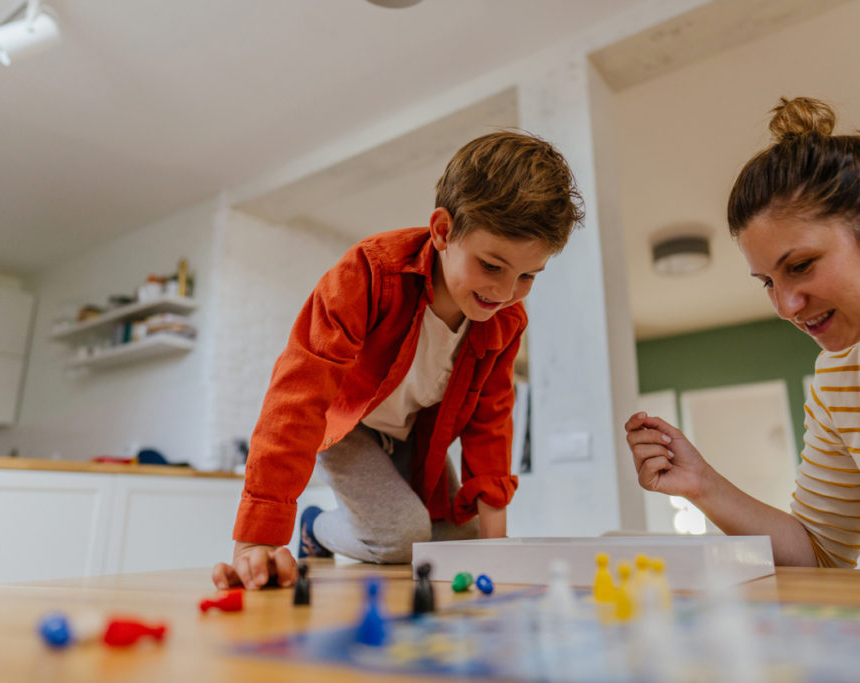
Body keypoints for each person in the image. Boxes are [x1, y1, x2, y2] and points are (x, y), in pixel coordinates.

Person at [626, 97, 860, 586]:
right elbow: (819, 555)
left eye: (800, 266)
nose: (786, 306)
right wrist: (703, 485)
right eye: (768, 282)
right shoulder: (842, 383)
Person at [213, 131, 584, 590]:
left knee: (458, 541)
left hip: (414, 435)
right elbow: (298, 393)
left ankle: (398, 531)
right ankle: (316, 526)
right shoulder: (369, 273)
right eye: (492, 266)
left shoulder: (505, 320)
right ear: (443, 231)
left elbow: (492, 418)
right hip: (347, 428)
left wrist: (495, 545)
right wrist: (256, 540)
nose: (506, 294)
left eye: (528, 275)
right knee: (401, 539)